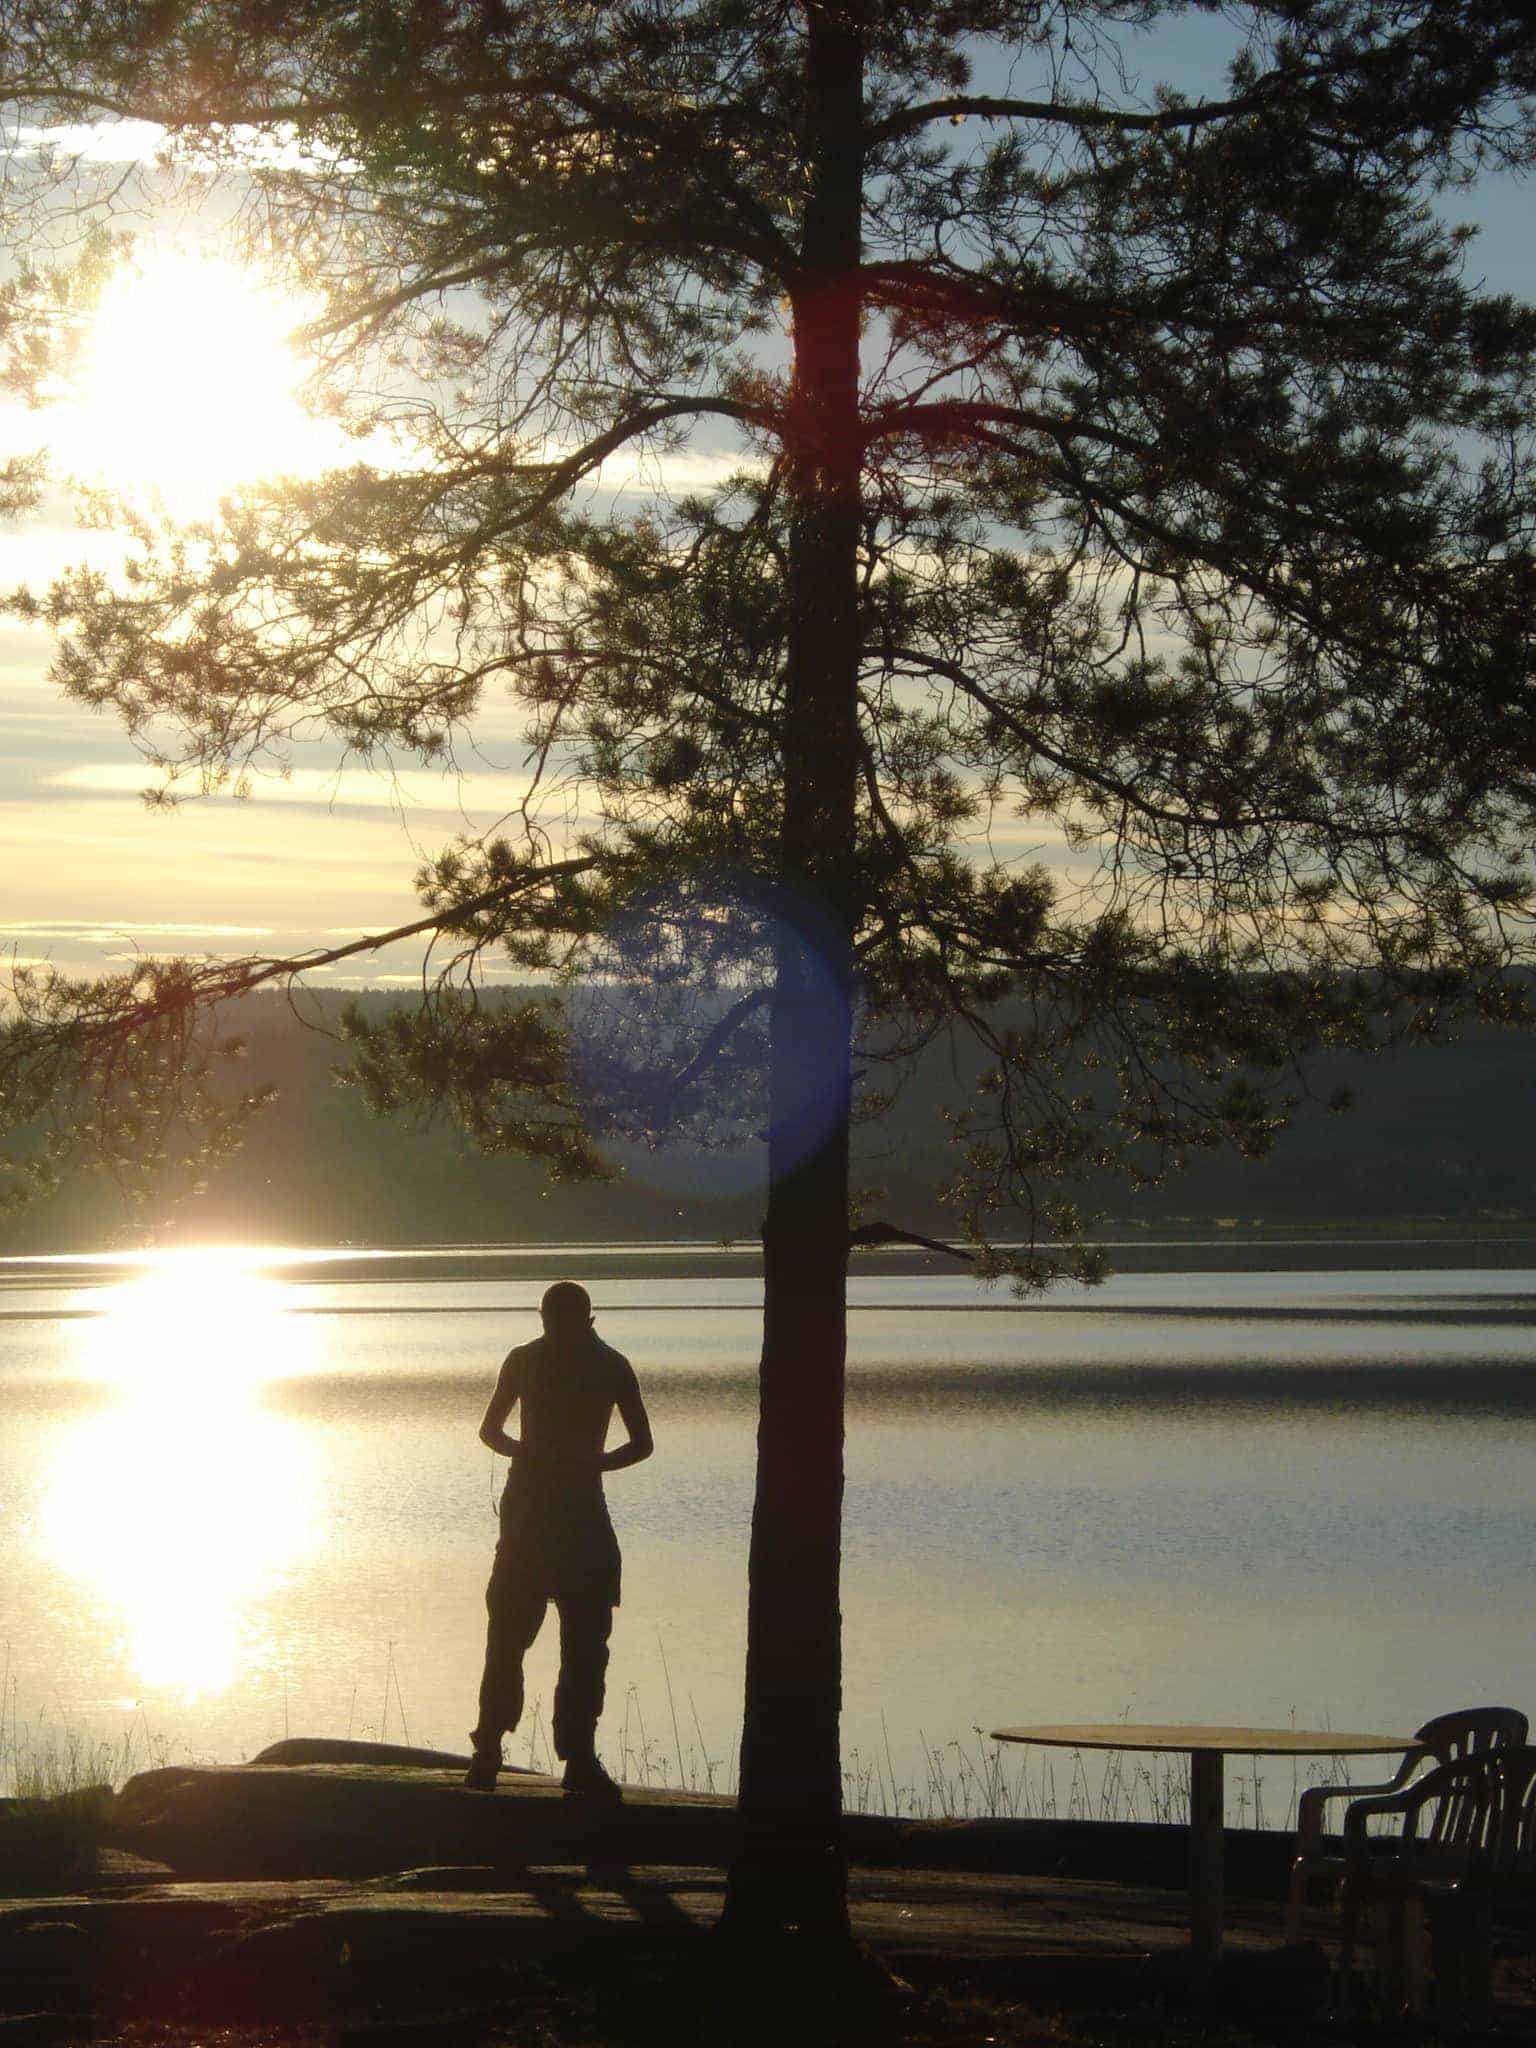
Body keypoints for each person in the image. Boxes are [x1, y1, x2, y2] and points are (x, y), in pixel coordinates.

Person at [464, 1280, 653, 1799]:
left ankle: (498, 1754)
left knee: (521, 1639)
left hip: (543, 1512)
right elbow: (641, 1444)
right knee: (570, 1643)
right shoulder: (608, 1364)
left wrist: (531, 1454)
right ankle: (562, 1757)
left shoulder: (529, 1360)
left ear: (546, 1317)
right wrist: (591, 1463)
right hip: (564, 1512)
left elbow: (490, 1432)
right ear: (587, 1318)